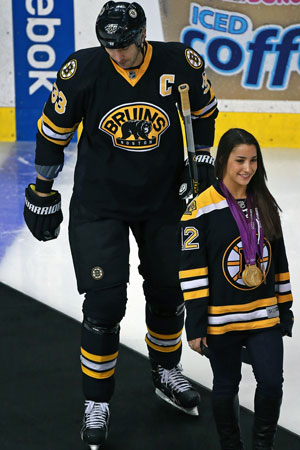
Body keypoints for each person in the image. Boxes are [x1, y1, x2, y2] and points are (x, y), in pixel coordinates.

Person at [23, 1, 218, 449]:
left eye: (125, 47)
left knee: (169, 291)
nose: (118, 55)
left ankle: (166, 371)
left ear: (142, 36)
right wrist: (42, 191)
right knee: (105, 303)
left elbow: (205, 110)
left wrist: (203, 156)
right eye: (110, 47)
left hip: (165, 202)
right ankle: (97, 401)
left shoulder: (178, 62)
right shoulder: (83, 70)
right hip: (100, 205)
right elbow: (53, 130)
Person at [179, 128, 294, 450]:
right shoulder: (198, 211)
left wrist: (285, 307)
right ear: (223, 162)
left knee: (271, 383)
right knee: (226, 387)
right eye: (240, 160)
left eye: (254, 160)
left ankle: (263, 446)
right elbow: (192, 272)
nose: (247, 168)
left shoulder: (265, 204)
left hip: (264, 317)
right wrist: (196, 324)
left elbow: (279, 263)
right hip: (221, 321)